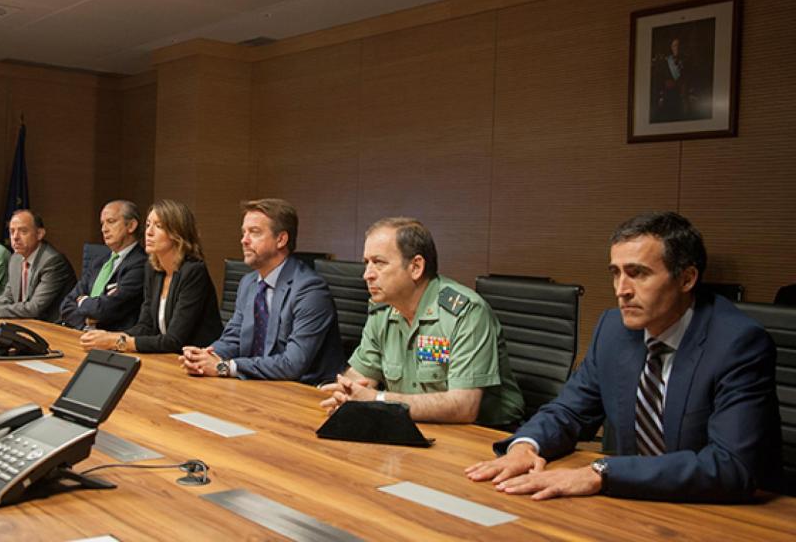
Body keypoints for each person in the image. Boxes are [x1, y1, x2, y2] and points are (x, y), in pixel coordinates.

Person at [465, 212, 781, 502]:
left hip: (716, 512)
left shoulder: (737, 343)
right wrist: (526, 446)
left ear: (686, 279)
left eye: (638, 273)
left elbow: (732, 465)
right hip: (631, 506)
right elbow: (570, 412)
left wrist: (600, 473)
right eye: (616, 273)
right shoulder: (613, 330)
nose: (621, 289)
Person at [318, 218, 524, 426]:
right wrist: (346, 393)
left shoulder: (465, 313)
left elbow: (464, 406)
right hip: (411, 426)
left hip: (484, 436)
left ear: (416, 267)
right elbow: (361, 376)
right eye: (366, 263)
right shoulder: (384, 310)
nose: (367, 275)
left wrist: (378, 399)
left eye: (379, 263)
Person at [180, 198, 344, 385]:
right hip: (258, 385)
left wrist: (225, 367)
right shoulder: (248, 283)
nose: (244, 240)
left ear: (281, 239)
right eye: (244, 233)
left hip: (304, 391)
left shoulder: (310, 291)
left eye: (254, 232)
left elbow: (293, 364)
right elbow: (234, 338)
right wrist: (206, 356)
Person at [80, 199, 222, 353]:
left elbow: (174, 340)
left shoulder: (193, 272)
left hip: (196, 363)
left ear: (177, 234)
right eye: (148, 225)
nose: (149, 232)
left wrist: (117, 342)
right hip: (166, 359)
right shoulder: (153, 270)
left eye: (158, 226)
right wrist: (108, 337)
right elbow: (146, 326)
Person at [59, 200, 146, 331]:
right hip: (81, 333)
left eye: (111, 221)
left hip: (113, 342)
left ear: (131, 226)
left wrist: (82, 301)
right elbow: (66, 305)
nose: (104, 229)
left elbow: (104, 310)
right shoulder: (98, 262)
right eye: (102, 223)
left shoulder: (141, 264)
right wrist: (87, 321)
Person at [0, 210, 76, 322]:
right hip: (27, 322)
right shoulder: (15, 259)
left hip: (53, 326)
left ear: (39, 234)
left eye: (23, 231)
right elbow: (8, 298)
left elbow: (34, 308)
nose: (15, 237)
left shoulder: (52, 262)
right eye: (12, 231)